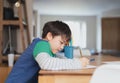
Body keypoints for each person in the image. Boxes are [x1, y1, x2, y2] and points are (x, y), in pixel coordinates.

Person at [6, 21, 89, 83]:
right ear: (49, 36)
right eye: (61, 42)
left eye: (64, 44)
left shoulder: (47, 48)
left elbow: (56, 58)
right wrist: (78, 63)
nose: (62, 47)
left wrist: (73, 60)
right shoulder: (41, 44)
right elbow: (47, 63)